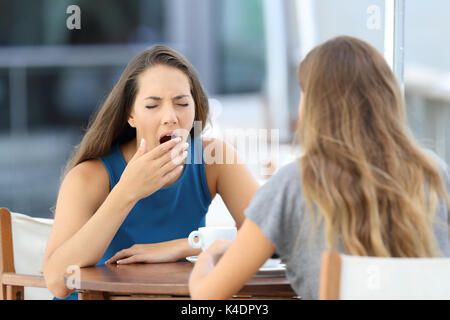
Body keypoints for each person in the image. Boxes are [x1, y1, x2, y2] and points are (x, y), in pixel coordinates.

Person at [188, 36, 450, 300]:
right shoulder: (433, 172)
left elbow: (206, 298)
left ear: (312, 104)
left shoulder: (294, 184)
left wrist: (210, 254)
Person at [43, 45, 259, 299]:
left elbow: (273, 234)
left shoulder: (213, 160)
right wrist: (126, 192)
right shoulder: (89, 176)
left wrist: (186, 246)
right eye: (152, 105)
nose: (170, 117)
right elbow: (58, 282)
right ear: (130, 115)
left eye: (181, 103)